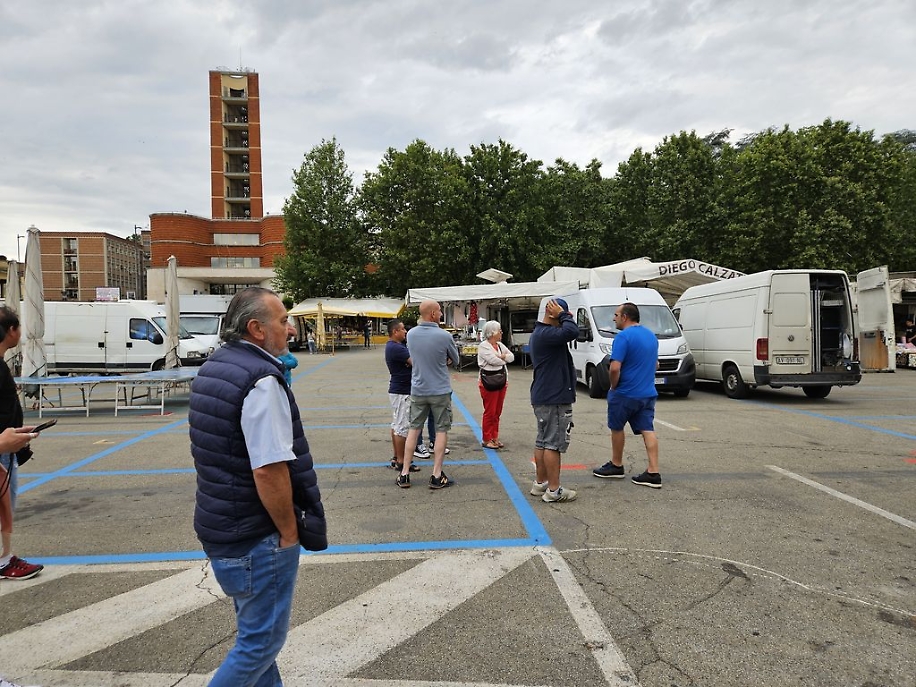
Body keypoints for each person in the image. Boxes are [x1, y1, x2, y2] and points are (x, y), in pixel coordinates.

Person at [189, 287, 326, 686]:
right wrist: (288, 531)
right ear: (257, 329)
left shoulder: (216, 366)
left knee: (259, 641)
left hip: (223, 525)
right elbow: (268, 469)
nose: (290, 327)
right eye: (282, 320)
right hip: (254, 535)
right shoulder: (260, 380)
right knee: (259, 645)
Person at [593, 302, 662, 488]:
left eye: (616, 315)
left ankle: (616, 465)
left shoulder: (623, 337)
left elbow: (615, 367)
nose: (613, 318)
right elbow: (656, 365)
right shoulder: (651, 336)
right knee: (648, 429)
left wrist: (613, 386)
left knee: (617, 427)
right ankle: (653, 471)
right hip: (647, 392)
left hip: (625, 392)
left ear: (625, 317)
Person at [0, 305, 44, 581]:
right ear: (12, 331)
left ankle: (5, 557)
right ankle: (4, 561)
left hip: (8, 444)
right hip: (2, 450)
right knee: (3, 506)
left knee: (5, 507)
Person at [398, 300, 460, 489]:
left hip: (418, 389)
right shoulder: (444, 335)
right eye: (440, 311)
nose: (441, 314)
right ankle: (436, 474)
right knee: (441, 430)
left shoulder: (412, 335)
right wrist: (444, 360)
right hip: (439, 390)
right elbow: (455, 359)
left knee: (414, 430)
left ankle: (404, 473)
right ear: (433, 314)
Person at [528, 298, 579, 503]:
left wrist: (562, 316)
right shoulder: (547, 333)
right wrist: (562, 315)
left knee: (542, 441)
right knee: (553, 444)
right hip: (553, 396)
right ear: (553, 313)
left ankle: (540, 483)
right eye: (562, 314)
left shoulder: (541, 334)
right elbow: (572, 332)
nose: (567, 318)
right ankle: (554, 490)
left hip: (544, 395)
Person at [385, 318, 420, 473]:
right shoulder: (397, 348)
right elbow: (416, 363)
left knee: (397, 424)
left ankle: (396, 457)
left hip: (399, 390)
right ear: (395, 332)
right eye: (403, 329)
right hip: (402, 391)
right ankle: (401, 460)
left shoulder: (395, 346)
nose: (405, 331)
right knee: (402, 427)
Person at [477, 320, 514, 449]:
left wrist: (501, 357)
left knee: (497, 412)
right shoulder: (483, 346)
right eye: (499, 331)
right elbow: (493, 361)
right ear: (492, 332)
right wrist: (503, 358)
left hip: (501, 381)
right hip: (488, 382)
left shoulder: (499, 345)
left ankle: (494, 436)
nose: (501, 333)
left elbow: (512, 357)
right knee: (490, 412)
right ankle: (487, 438)